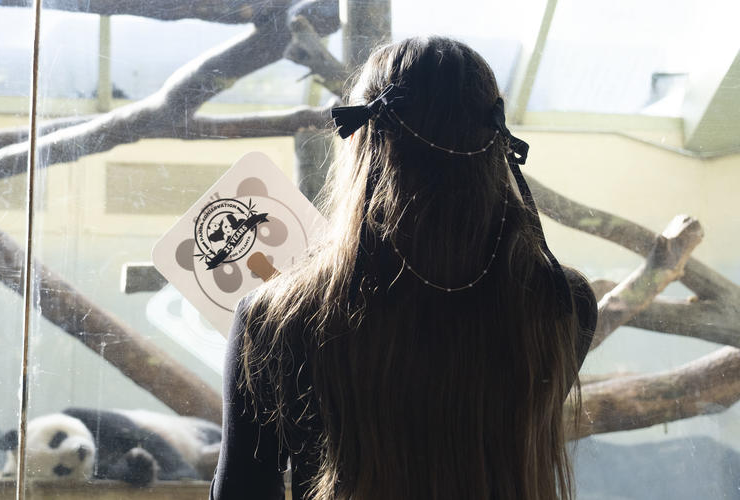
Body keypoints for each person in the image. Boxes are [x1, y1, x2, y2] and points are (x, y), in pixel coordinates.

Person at [210, 36, 598, 500]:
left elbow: (242, 492)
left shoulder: (274, 318)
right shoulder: (561, 301)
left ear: (362, 145)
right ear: (496, 142)